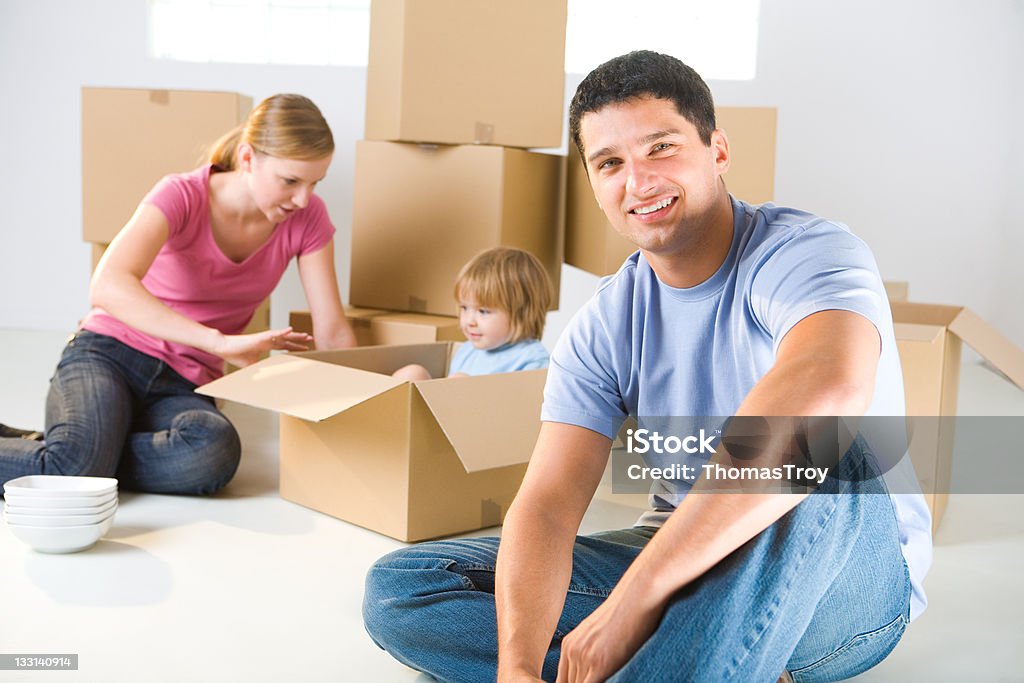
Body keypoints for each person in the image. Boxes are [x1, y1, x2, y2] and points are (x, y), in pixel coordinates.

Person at [362, 51, 932, 682]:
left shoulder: (807, 253)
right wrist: (518, 667)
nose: (638, 181)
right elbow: (548, 507)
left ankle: (693, 650)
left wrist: (633, 606)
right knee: (406, 586)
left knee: (824, 444)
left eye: (661, 147)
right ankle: (716, 657)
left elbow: (829, 385)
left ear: (717, 150)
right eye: (610, 163)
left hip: (843, 576)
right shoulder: (604, 324)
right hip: (676, 559)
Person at [0, 93, 356, 495]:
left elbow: (332, 331)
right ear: (247, 158)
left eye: (315, 183)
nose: (303, 199)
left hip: (184, 382)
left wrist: (372, 406)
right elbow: (108, 284)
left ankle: (86, 451)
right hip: (108, 354)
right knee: (72, 474)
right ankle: (79, 457)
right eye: (290, 181)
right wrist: (218, 342)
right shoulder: (181, 194)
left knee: (210, 452)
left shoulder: (308, 218)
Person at [392, 247, 551, 381]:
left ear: (522, 313)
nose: (469, 321)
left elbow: (519, 409)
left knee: (459, 382)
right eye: (464, 308)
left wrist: (468, 391)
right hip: (446, 413)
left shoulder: (533, 360)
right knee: (412, 373)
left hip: (484, 416)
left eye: (483, 311)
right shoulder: (468, 350)